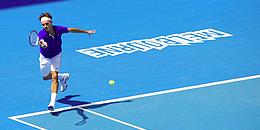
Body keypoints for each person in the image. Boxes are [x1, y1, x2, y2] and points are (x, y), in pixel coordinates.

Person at [38, 12, 96, 111]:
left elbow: (71, 30)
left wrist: (86, 31)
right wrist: (42, 44)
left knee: (54, 76)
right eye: (43, 24)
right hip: (45, 57)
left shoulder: (58, 29)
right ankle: (63, 77)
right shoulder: (41, 34)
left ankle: (51, 104)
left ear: (51, 22)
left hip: (56, 55)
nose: (45, 26)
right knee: (46, 77)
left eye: (47, 24)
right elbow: (41, 41)